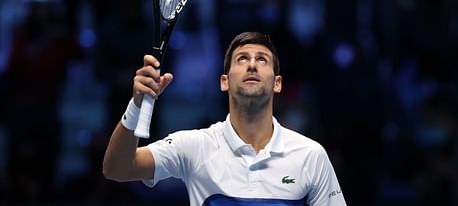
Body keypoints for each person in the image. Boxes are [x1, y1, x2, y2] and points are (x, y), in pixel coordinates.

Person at [103, 31, 347, 205]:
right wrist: (136, 104)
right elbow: (118, 168)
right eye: (242, 59)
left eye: (262, 60)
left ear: (277, 84)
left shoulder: (310, 155)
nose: (252, 65)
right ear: (224, 82)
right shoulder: (195, 146)